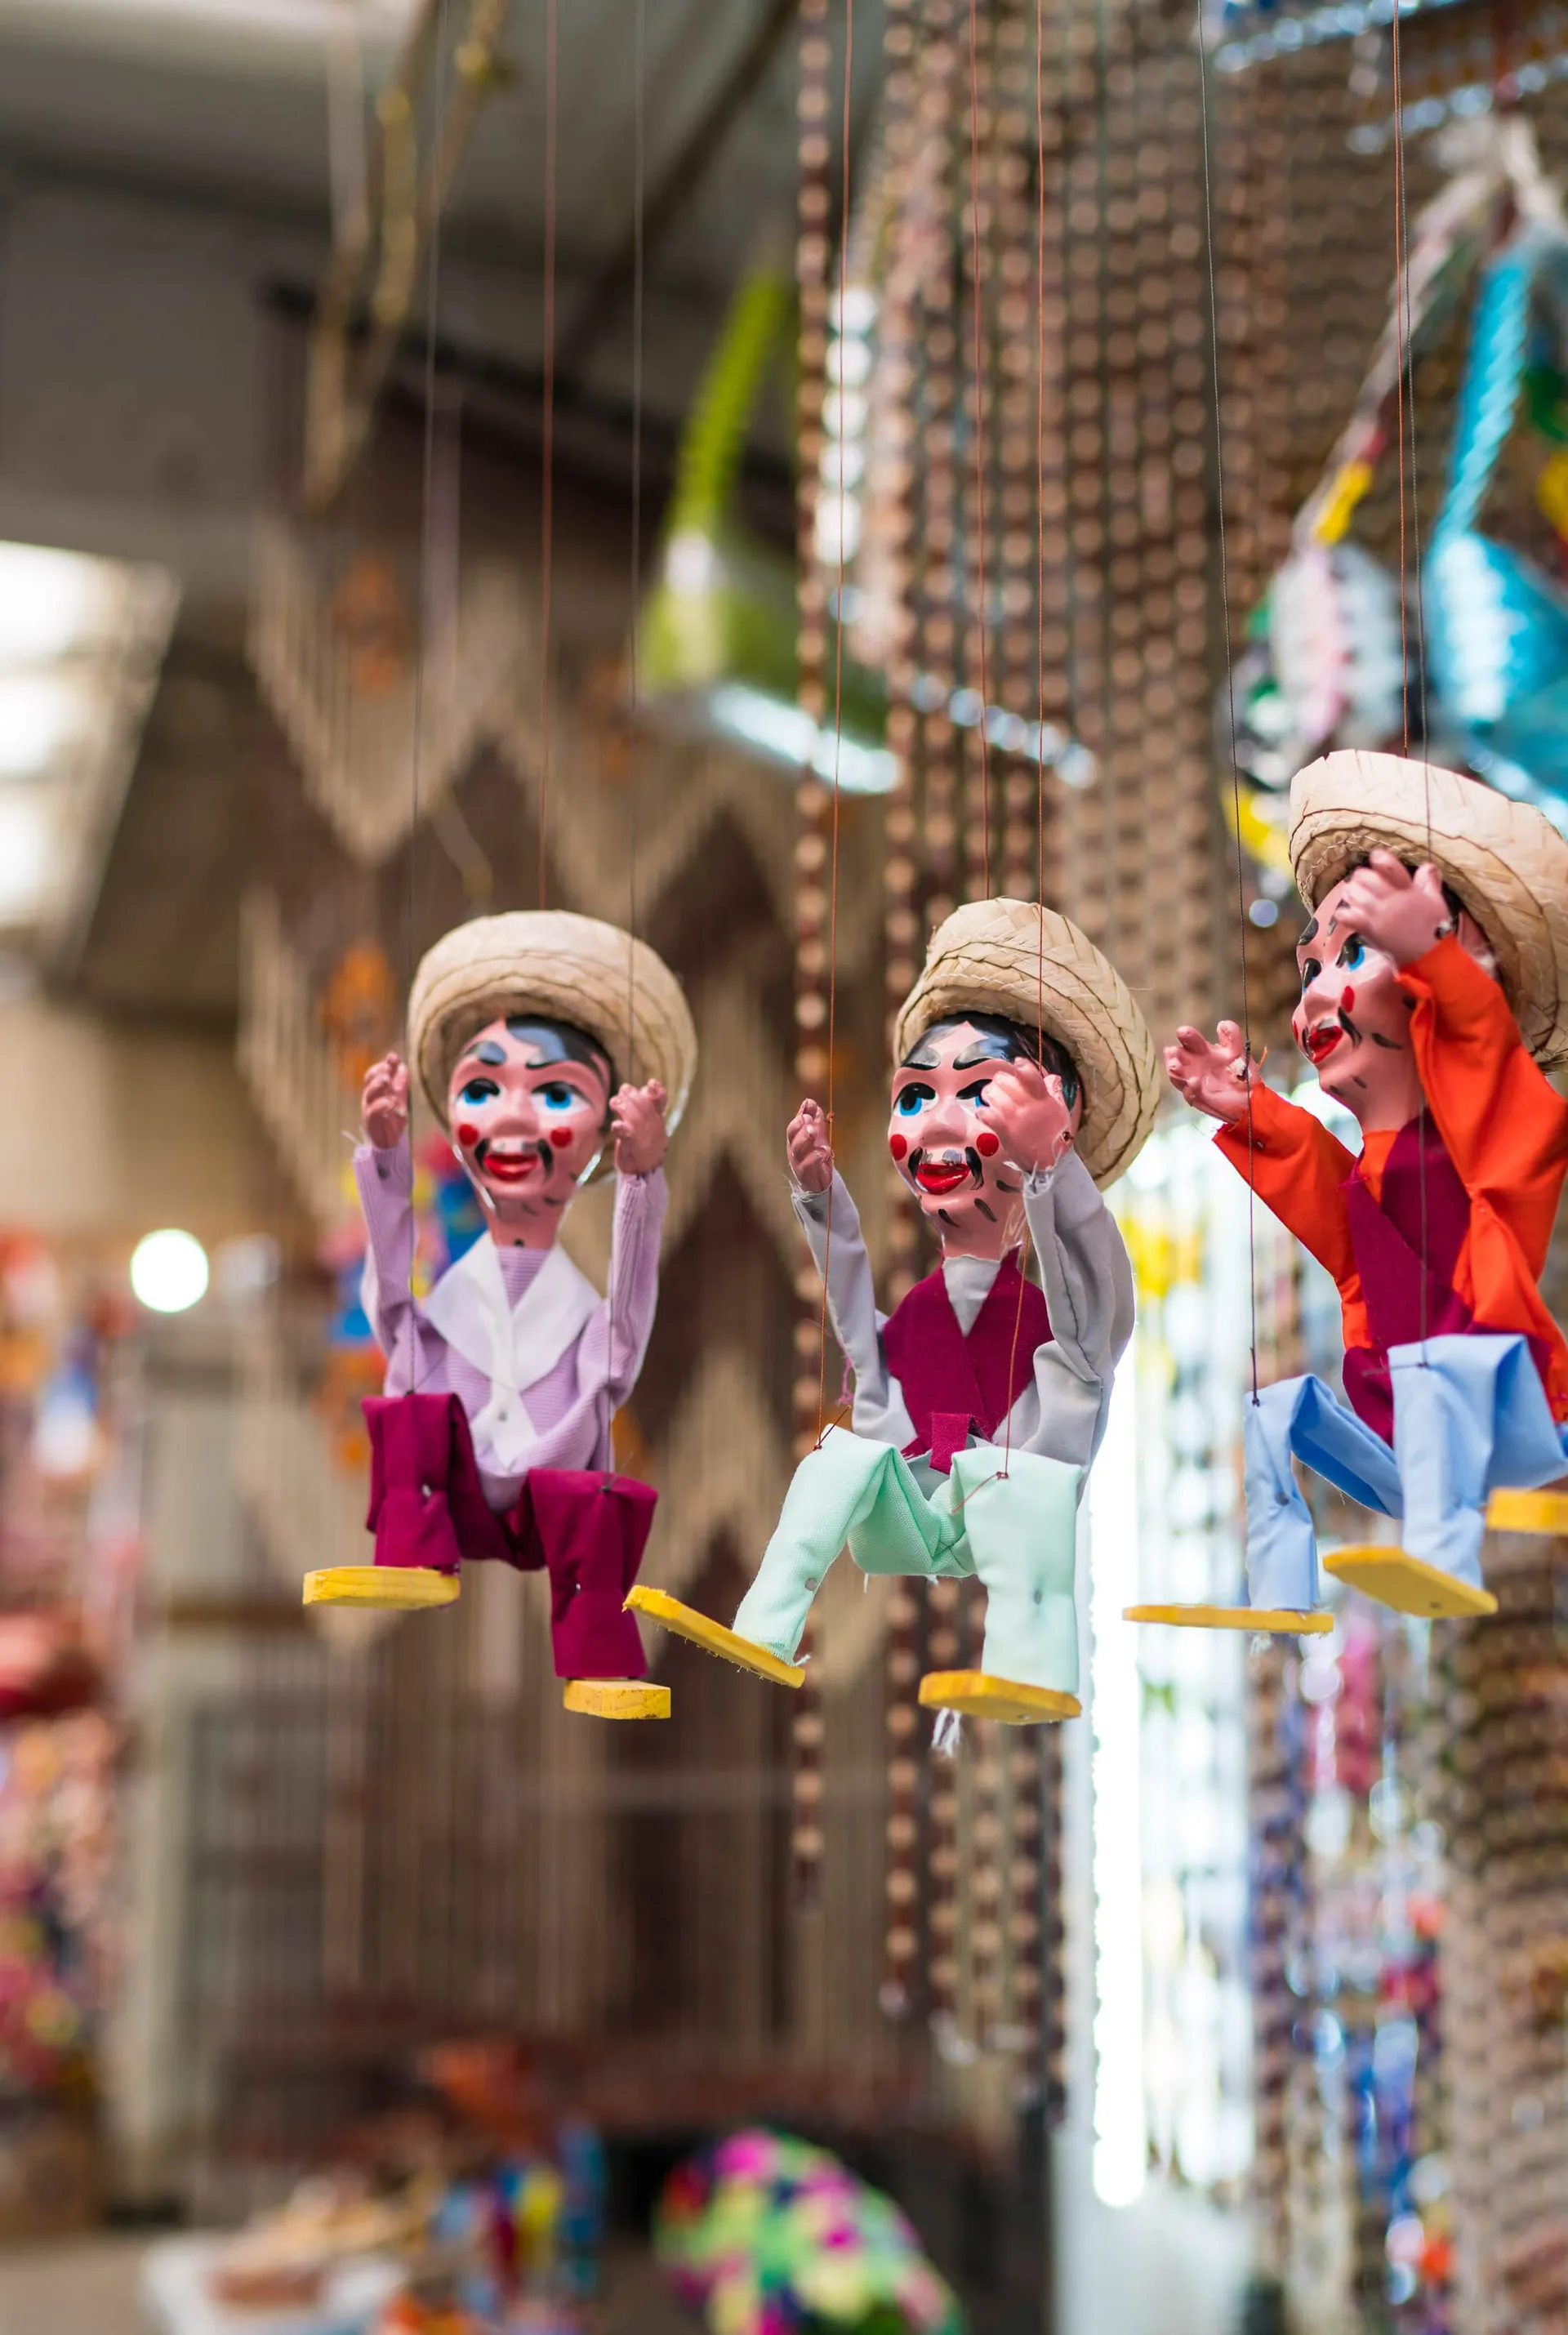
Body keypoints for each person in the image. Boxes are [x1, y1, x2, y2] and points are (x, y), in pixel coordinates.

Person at [631, 898, 1157, 1724]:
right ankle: (765, 1627)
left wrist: (1054, 1168)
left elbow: (1095, 1303)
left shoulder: (1059, 1310)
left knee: (1019, 1485)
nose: (936, 1122)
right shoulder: (918, 1311)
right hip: (912, 1512)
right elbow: (855, 1327)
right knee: (836, 1459)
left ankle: (1034, 1665)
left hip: (1013, 1505)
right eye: (917, 1096)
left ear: (1061, 1116)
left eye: (979, 1091)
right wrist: (819, 1198)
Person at [1160, 748, 1568, 1624]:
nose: (1314, 999)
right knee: (1277, 1412)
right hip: (1398, 1427)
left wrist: (1436, 960)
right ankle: (1279, 1594)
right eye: (1311, 968)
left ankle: (1442, 1561)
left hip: (1510, 1408)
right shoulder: (1377, 1177)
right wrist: (1247, 1111)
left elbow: (1484, 1051)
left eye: (1354, 954)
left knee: (1440, 1370)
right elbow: (1331, 1213)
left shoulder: (1493, 1131)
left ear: (1465, 957)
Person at [304, 909, 697, 1719]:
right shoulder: (441, 1317)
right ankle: (410, 1555)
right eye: (484, 1087)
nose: (514, 1116)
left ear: (597, 1136)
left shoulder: (588, 1323)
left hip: (548, 1514)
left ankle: (599, 1657)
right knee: (406, 1399)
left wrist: (640, 1184)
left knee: (597, 1497)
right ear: (452, 1116)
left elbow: (625, 1333)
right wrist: (383, 1162)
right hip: (441, 1507)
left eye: (553, 1091)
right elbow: (386, 1300)